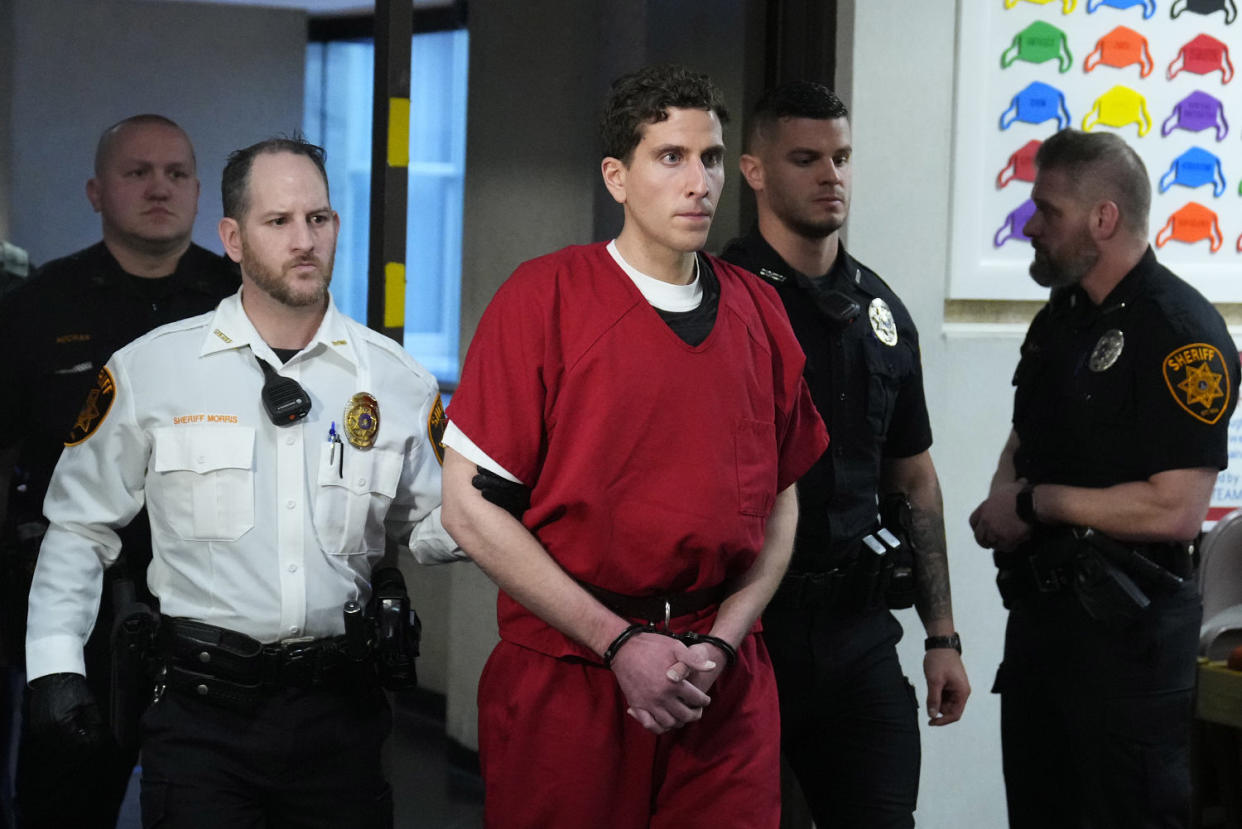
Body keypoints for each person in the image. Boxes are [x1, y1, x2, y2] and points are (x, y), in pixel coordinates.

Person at [23, 136, 459, 828]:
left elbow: (432, 527)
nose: (304, 239)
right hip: (202, 722)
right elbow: (81, 525)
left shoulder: (396, 380)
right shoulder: (152, 370)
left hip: (341, 721)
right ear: (231, 237)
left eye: (318, 218)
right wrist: (53, 663)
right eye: (278, 221)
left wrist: (493, 505)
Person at [440, 64, 829, 829]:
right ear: (617, 177)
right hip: (574, 670)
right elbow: (467, 507)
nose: (699, 182)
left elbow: (782, 506)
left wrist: (721, 641)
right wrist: (618, 643)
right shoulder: (545, 299)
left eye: (712, 158)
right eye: (671, 157)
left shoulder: (759, 310)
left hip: (718, 674)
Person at [969, 128, 1238, 829]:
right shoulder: (1063, 320)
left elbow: (1177, 509)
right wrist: (1006, 495)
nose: (1030, 225)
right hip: (1044, 630)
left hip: (1129, 651)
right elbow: (1029, 431)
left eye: (1047, 211)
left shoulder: (1181, 334)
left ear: (1103, 219)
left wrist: (1036, 502)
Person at [720, 81, 971, 829]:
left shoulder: (880, 311)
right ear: (755, 171)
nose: (831, 175)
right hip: (753, 630)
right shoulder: (722, 300)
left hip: (858, 632)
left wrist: (943, 634)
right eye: (805, 158)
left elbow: (915, 478)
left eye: (842, 157)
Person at [0, 114, 239, 828]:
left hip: (215, 601)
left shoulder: (243, 302)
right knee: (66, 801)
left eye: (176, 173)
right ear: (96, 191)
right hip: (78, 604)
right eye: (137, 173)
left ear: (199, 191)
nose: (159, 187)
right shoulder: (36, 307)